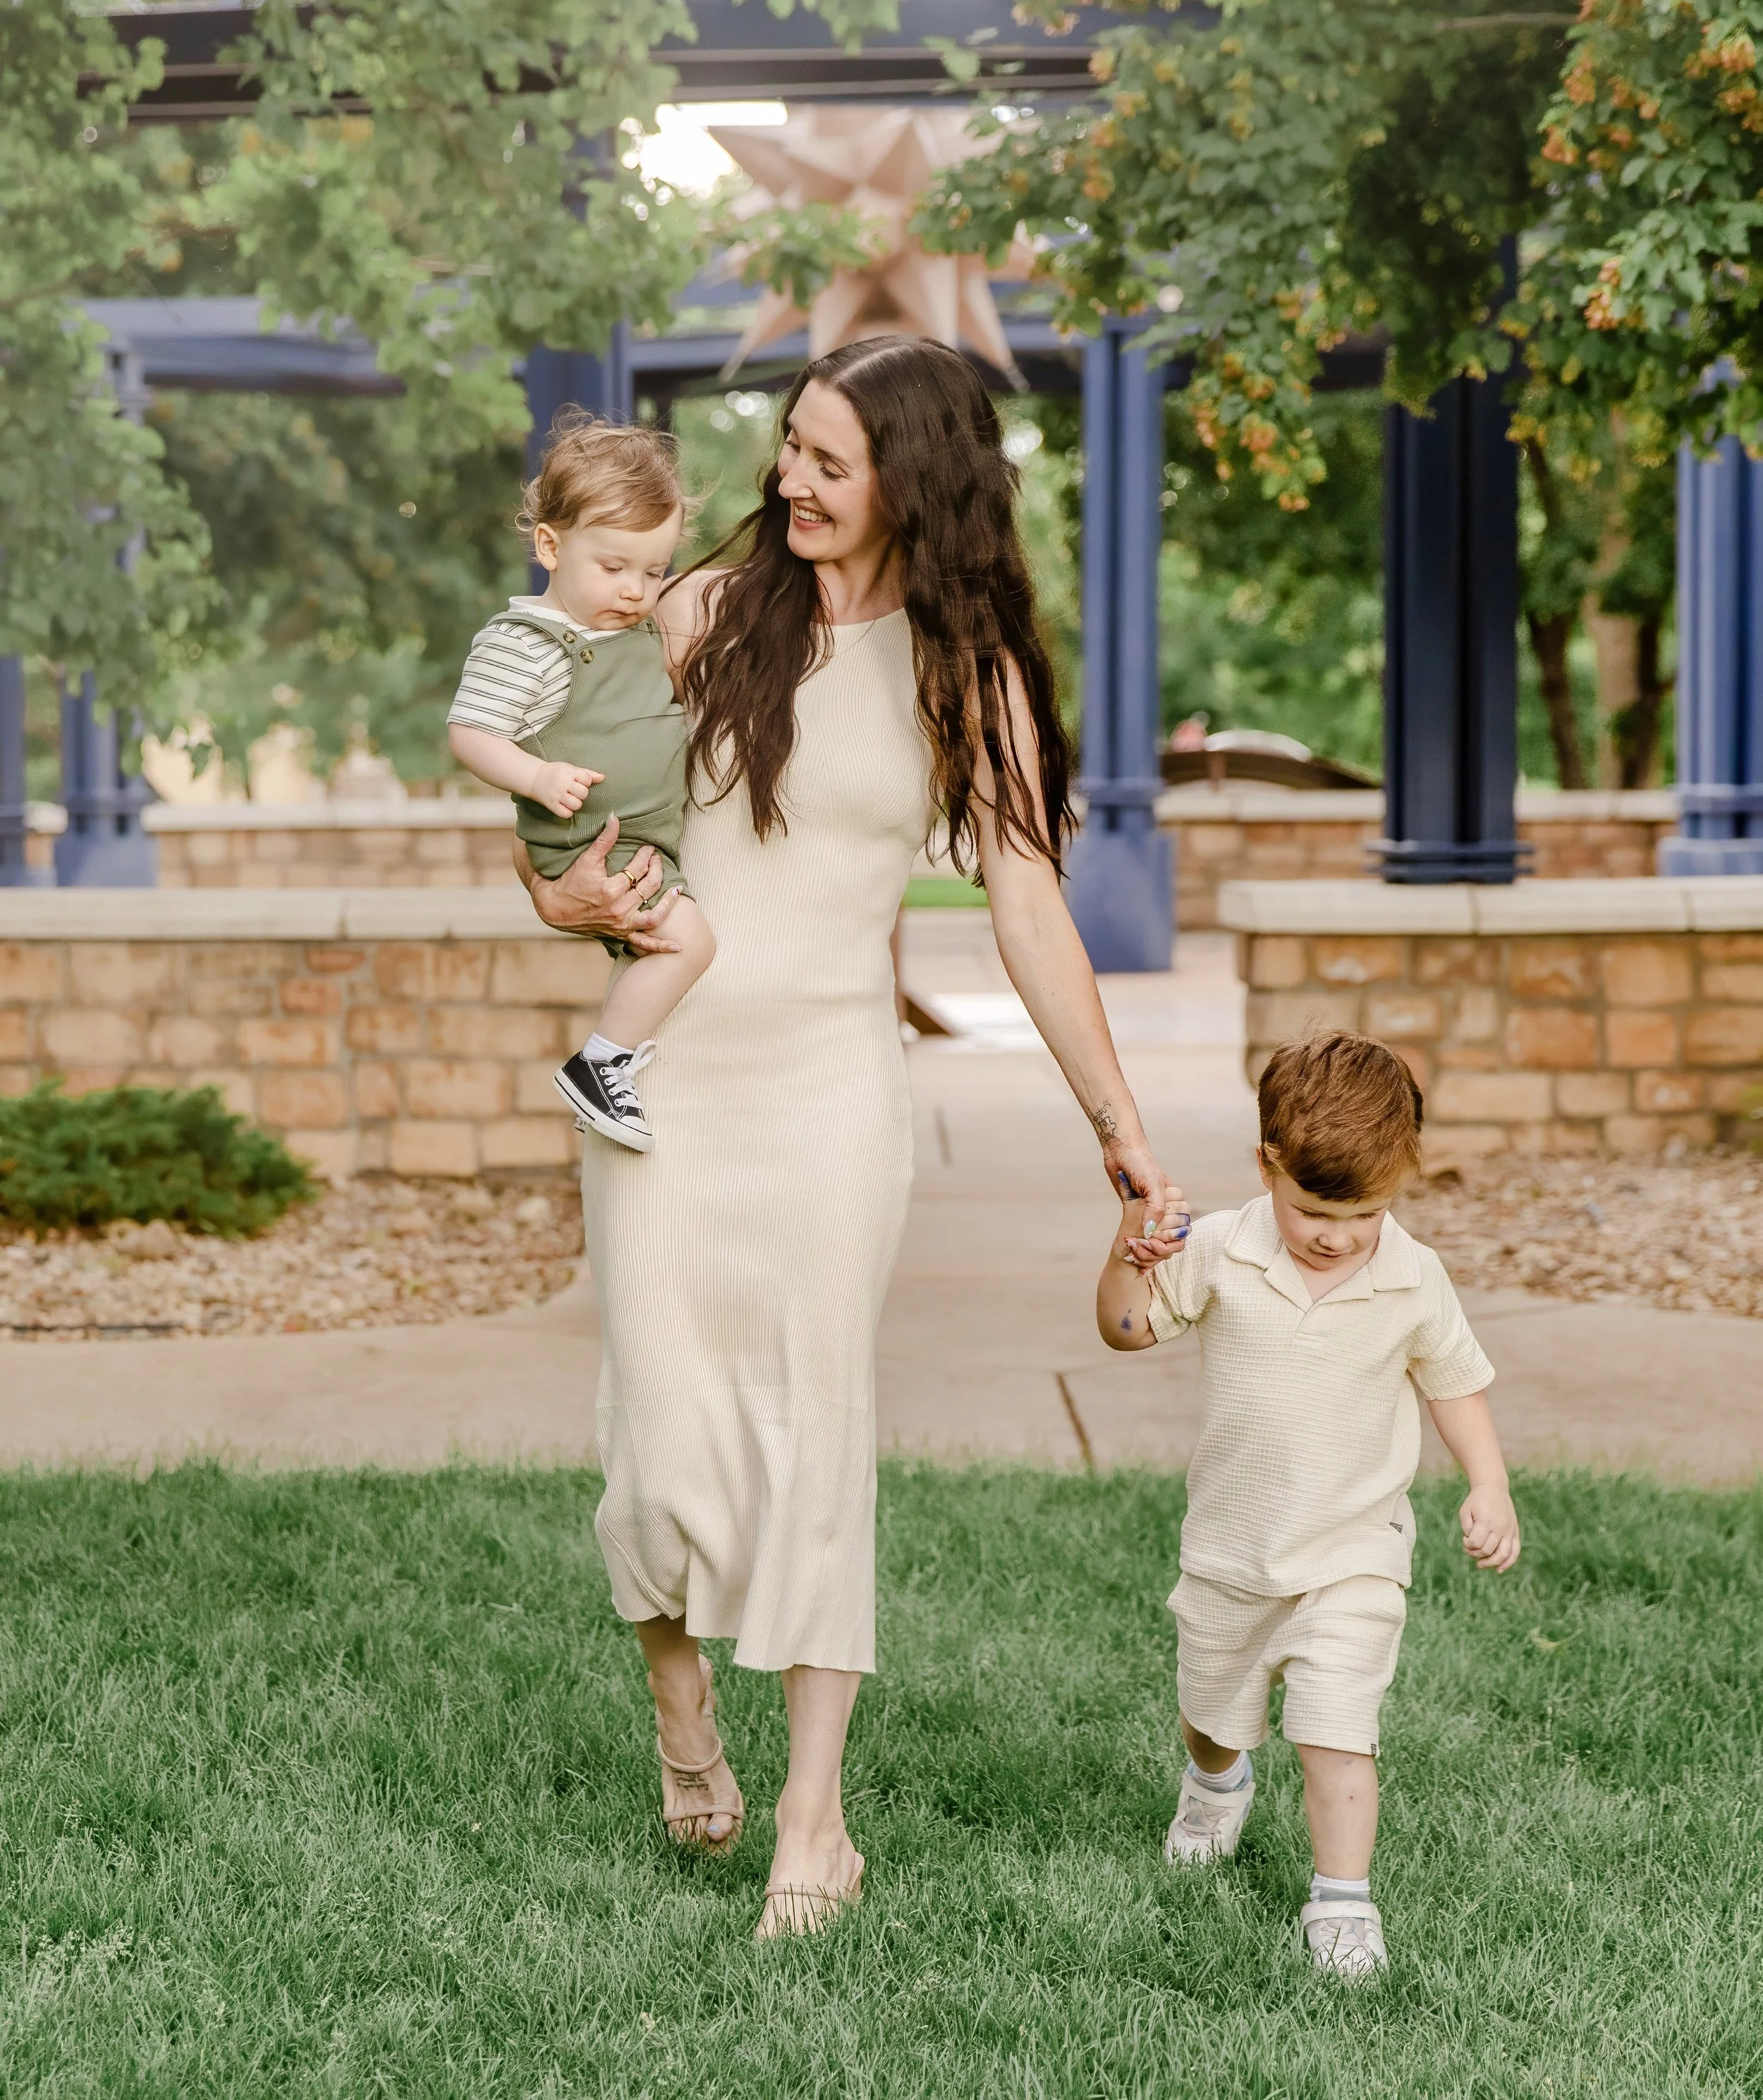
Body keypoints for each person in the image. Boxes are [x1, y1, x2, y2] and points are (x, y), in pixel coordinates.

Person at [514, 334, 1178, 1936]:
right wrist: (557, 887)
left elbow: (1031, 917)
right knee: (659, 1450)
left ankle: (815, 1817)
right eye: (791, 447)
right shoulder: (709, 613)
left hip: (830, 1094)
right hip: (669, 1085)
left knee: (817, 1433)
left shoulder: (975, 678)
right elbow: (559, 796)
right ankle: (682, 1697)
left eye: (829, 459)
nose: (791, 481)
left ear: (917, 481)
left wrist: (1122, 1131)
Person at [1097, 1030, 1520, 1978]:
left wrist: (1488, 1482)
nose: (1335, 1233)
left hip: (1353, 1554)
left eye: (1363, 1212)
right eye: (1311, 1208)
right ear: (1267, 1165)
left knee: (1336, 1729)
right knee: (1212, 1708)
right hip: (1233, 1550)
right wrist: (1131, 1254)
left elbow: (1456, 1381)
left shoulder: (1414, 1276)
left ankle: (1342, 1901)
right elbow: (1125, 1328)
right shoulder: (1218, 1250)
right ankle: (1216, 1782)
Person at [447, 416, 716, 1151]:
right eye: (614, 567)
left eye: (654, 571)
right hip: (595, 845)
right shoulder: (525, 644)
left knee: (672, 942)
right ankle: (602, 1064)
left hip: (639, 835)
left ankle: (609, 1060)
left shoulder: (626, 631)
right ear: (549, 546)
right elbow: (469, 731)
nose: (636, 590)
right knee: (690, 943)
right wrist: (536, 775)